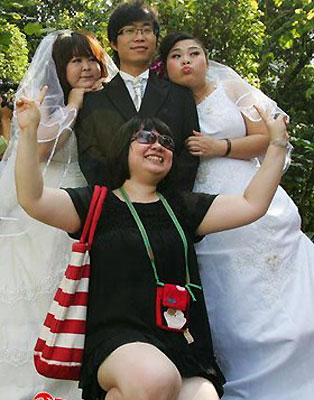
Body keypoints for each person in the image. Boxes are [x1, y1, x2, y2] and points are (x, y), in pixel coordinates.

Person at [15, 77, 288, 400]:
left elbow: (251, 204)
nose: (158, 145)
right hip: (119, 340)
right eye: (145, 137)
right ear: (123, 148)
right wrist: (29, 131)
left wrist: (277, 145)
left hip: (183, 341)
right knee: (154, 379)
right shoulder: (97, 203)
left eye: (166, 141)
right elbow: (33, 199)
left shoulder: (184, 207)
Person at [159, 31, 314, 400]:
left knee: (272, 279)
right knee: (224, 291)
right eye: (176, 56)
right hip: (202, 207)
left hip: (251, 191)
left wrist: (220, 146)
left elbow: (268, 135)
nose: (186, 61)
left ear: (206, 58)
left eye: (194, 53)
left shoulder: (230, 89)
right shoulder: (165, 102)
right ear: (165, 66)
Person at [0, 30, 116, 400]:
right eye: (75, 61)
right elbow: (43, 146)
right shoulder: (46, 100)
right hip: (42, 200)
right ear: (59, 68)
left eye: (90, 59)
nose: (85, 67)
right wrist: (76, 103)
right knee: (40, 289)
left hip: (85, 201)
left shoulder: (110, 99)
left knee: (78, 288)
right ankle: (32, 383)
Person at [75, 0, 199, 190]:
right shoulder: (94, 100)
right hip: (114, 204)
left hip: (171, 204)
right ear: (113, 43)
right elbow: (90, 157)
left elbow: (190, 151)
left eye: (146, 30)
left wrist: (164, 196)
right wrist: (123, 195)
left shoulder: (180, 95)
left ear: (156, 39)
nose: (139, 37)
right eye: (130, 30)